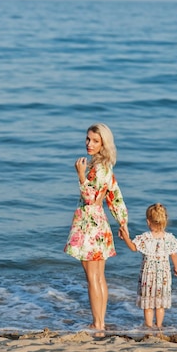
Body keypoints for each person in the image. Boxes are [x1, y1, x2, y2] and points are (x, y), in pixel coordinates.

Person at [64, 123, 129, 331]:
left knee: (93, 277)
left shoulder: (96, 168)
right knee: (99, 276)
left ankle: (97, 323)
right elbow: (115, 196)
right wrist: (122, 221)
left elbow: (91, 198)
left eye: (95, 141)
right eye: (88, 139)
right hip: (99, 223)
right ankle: (100, 321)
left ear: (103, 144)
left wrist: (81, 174)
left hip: (89, 225)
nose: (89, 144)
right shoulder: (105, 167)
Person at [120, 203, 177, 329]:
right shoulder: (169, 238)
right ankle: (159, 326)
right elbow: (174, 254)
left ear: (148, 221)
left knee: (148, 304)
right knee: (160, 304)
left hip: (148, 276)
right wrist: (176, 267)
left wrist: (126, 237)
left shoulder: (145, 238)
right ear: (165, 221)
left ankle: (148, 326)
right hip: (163, 276)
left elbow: (133, 247)